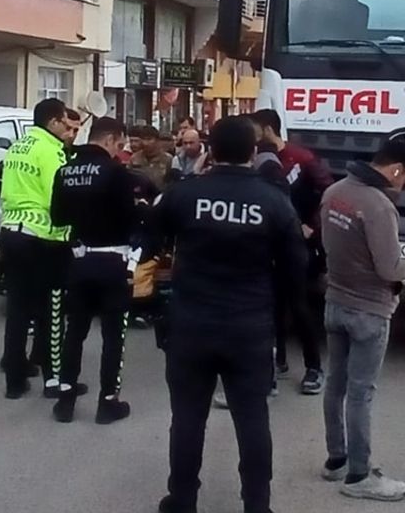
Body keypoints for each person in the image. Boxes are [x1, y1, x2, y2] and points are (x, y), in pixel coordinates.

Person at [149, 116, 308, 513]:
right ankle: (257, 504)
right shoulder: (274, 201)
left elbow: (151, 243)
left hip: (191, 324)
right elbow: (296, 270)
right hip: (248, 326)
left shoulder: (184, 194)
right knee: (252, 418)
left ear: (210, 151)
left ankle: (182, 498)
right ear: (253, 152)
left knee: (187, 418)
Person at [319, 139, 405, 501]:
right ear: (395, 169)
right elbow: (390, 268)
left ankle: (336, 459)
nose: (404, 184)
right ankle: (359, 476)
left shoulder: (335, 192)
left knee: (335, 384)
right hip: (369, 310)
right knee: (360, 393)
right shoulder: (379, 206)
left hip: (335, 302)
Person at [49, 116, 139, 425]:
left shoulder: (65, 171)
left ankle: (65, 400)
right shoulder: (117, 173)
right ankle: (107, 402)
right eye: (119, 144)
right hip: (112, 261)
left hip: (79, 260)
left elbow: (58, 218)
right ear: (110, 139)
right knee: (113, 335)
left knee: (74, 331)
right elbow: (130, 219)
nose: (120, 150)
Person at [0, 98, 76, 399]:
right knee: (49, 312)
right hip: (43, 238)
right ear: (53, 121)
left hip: (11, 233)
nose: (67, 129)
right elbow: (59, 195)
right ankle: (52, 378)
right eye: (64, 122)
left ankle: (14, 380)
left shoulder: (19, 146)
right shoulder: (51, 150)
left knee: (17, 311)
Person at [250, 109, 330, 396]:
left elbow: (328, 193)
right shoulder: (256, 160)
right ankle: (276, 361)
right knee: (270, 306)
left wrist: (312, 226)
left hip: (296, 245)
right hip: (264, 244)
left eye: (254, 129)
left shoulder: (302, 158)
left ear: (267, 129)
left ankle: (314, 368)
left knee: (299, 306)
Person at [129, 125, 173, 191]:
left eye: (149, 139)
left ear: (157, 140)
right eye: (143, 139)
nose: (145, 143)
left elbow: (172, 183)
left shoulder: (168, 159)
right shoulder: (134, 158)